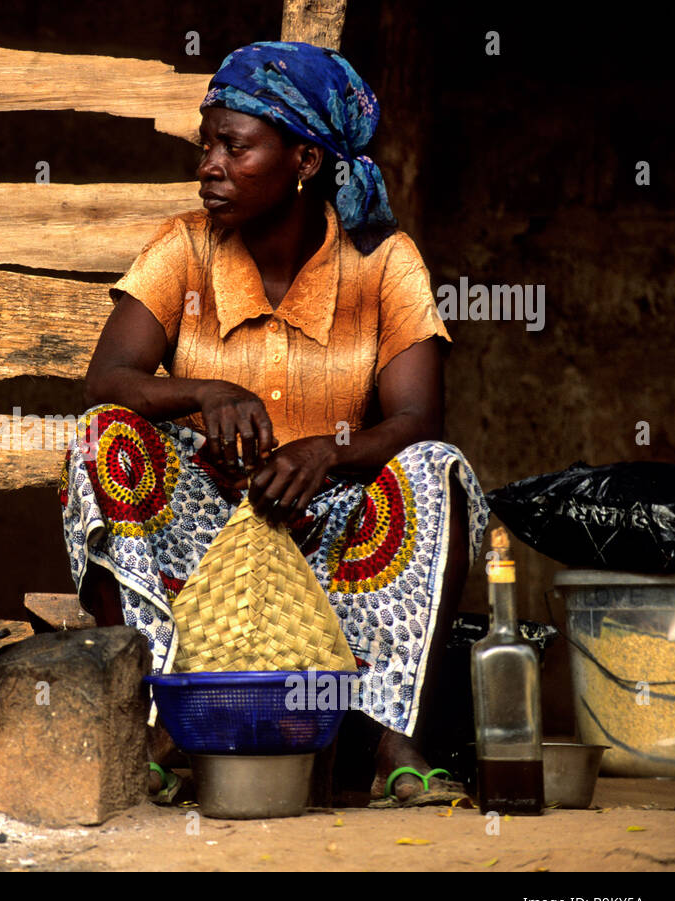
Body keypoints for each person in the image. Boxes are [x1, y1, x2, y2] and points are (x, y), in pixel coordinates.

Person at [59, 41, 489, 806]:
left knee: (435, 470)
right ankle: (156, 728)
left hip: (334, 529)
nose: (210, 166)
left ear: (304, 159)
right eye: (207, 145)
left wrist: (329, 452)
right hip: (210, 524)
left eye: (235, 146)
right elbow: (110, 379)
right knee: (106, 437)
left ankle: (394, 741)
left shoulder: (385, 263)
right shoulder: (183, 246)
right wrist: (207, 391)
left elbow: (421, 417)